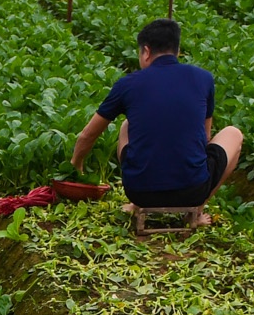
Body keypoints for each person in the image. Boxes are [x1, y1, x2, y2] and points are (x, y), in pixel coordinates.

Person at [69, 18, 244, 226]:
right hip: (192, 192)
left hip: (140, 192)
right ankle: (196, 212)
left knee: (126, 126)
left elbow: (89, 134)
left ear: (146, 51)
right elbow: (205, 138)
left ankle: (135, 206)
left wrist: (75, 167)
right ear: (177, 51)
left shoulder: (128, 84)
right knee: (234, 133)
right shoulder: (204, 79)